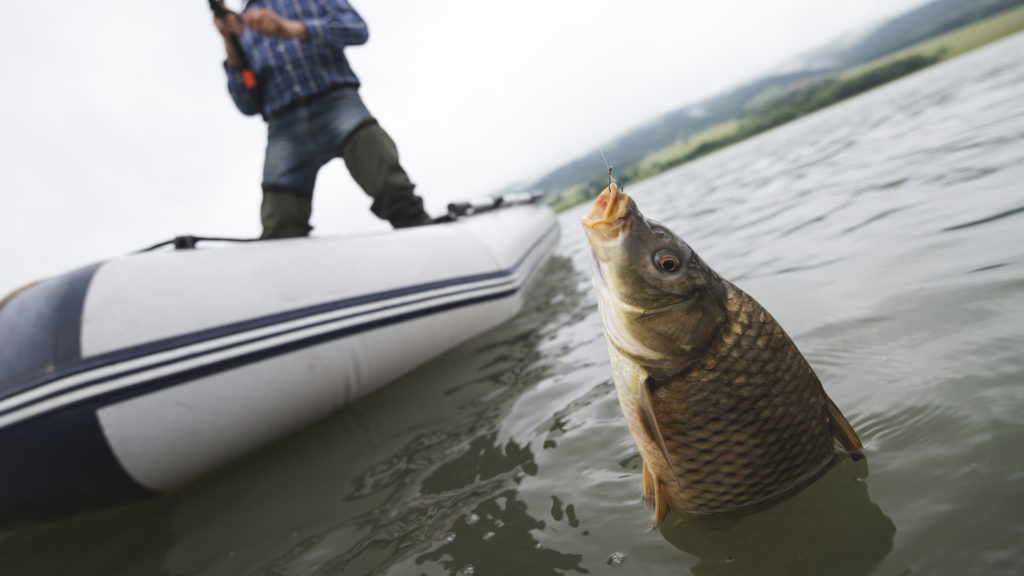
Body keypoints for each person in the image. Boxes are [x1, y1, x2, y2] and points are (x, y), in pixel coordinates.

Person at [214, 0, 433, 239]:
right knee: (280, 221)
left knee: (386, 175)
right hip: (284, 127)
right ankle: (284, 267)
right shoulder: (242, 26)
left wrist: (291, 28)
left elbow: (357, 29)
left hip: (336, 102)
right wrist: (232, 48)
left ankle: (421, 231)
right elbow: (247, 105)